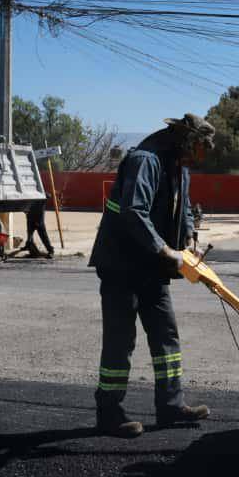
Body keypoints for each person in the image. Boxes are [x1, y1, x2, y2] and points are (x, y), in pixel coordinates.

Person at [88, 113, 215, 438]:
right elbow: (133, 211)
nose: (202, 154)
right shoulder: (146, 160)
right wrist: (166, 251)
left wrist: (188, 242)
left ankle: (171, 407)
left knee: (166, 336)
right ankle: (109, 413)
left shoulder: (178, 167)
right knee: (120, 341)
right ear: (187, 140)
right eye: (200, 146)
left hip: (151, 267)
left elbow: (183, 209)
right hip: (121, 265)